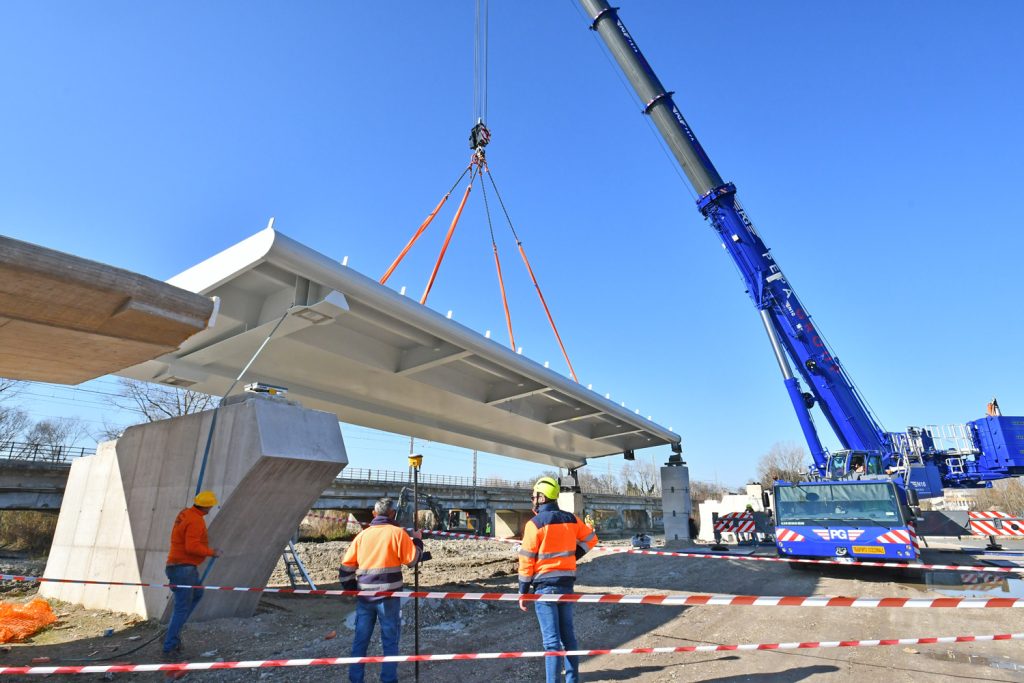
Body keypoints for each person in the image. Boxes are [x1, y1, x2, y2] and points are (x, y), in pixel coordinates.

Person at [518, 476, 598, 683]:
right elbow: (592, 539)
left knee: (551, 643)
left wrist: (522, 591)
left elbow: (526, 560)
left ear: (542, 498)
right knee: (569, 638)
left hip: (545, 589)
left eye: (534, 496)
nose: (533, 500)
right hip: (566, 586)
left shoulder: (535, 524)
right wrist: (573, 556)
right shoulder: (571, 519)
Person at [339, 497, 424, 683]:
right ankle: (388, 680)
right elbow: (412, 560)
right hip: (389, 598)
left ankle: (355, 679)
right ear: (393, 513)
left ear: (374, 514)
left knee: (360, 641)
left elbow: (345, 569)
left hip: (365, 598)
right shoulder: (397, 533)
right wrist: (418, 541)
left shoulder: (362, 536)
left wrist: (354, 590)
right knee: (390, 641)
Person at [163, 490, 222, 660]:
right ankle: (170, 645)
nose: (211, 508)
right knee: (182, 608)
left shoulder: (186, 513)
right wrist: (212, 552)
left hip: (181, 567)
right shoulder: (196, 520)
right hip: (183, 569)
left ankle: (173, 632)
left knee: (197, 594)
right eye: (210, 506)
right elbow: (192, 547)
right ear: (207, 506)